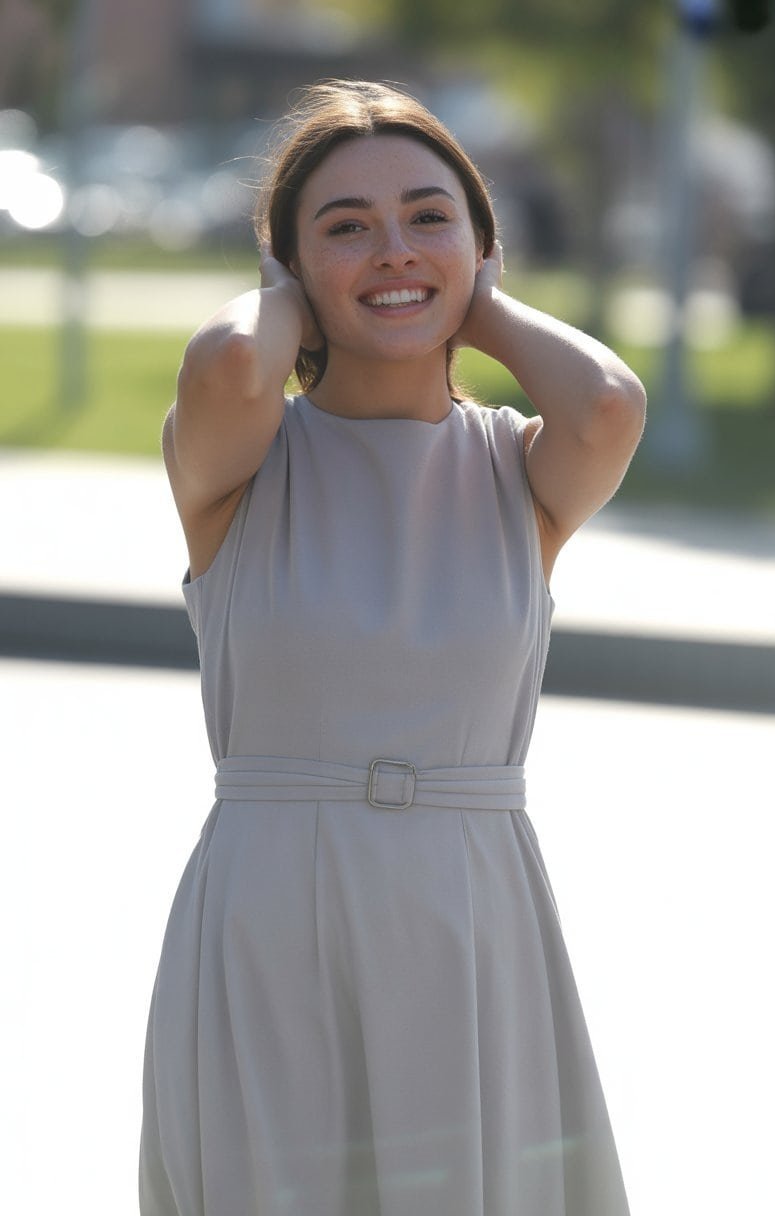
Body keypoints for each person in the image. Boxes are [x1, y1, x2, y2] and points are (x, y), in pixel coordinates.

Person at [139, 79, 646, 1216]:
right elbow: (226, 361)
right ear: (289, 271)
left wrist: (482, 305)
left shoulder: (518, 473)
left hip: (470, 916)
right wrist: (292, 296)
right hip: (267, 909)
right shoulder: (241, 460)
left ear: (481, 247)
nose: (391, 249)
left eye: (428, 217)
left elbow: (610, 403)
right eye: (344, 228)